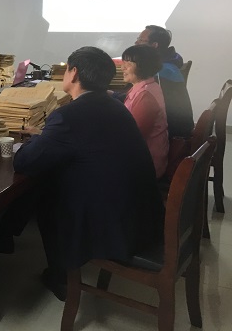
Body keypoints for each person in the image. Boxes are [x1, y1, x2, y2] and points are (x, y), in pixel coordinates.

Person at [10, 46, 163, 300]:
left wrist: (29, 142)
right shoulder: (116, 106)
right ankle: (6, 235)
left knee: (46, 196)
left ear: (74, 73)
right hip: (142, 215)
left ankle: (62, 277)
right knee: (51, 179)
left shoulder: (68, 116)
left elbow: (24, 162)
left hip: (115, 227)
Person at [135, 25, 193, 138]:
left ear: (154, 45)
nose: (136, 43)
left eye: (141, 40)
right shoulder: (167, 64)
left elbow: (142, 101)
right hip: (176, 128)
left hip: (171, 135)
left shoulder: (160, 72)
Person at [121, 45, 169, 178]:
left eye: (128, 64)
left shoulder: (145, 96)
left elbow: (133, 137)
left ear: (142, 66)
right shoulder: (148, 86)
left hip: (145, 165)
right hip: (143, 157)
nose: (122, 68)